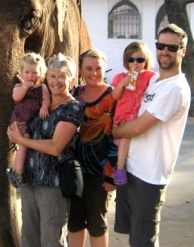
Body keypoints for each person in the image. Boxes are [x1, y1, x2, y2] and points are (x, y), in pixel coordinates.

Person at [113, 23, 191, 247]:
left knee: (144, 241)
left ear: (182, 51)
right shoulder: (155, 80)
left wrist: (114, 130)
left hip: (150, 176)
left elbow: (138, 127)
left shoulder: (175, 89)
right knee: (134, 237)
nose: (165, 51)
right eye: (161, 45)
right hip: (132, 168)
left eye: (172, 48)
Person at [7, 53, 83, 247]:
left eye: (61, 76)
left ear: (72, 79)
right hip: (30, 181)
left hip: (53, 184)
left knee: (51, 240)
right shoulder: (39, 103)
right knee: (29, 239)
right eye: (52, 76)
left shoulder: (71, 108)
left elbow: (55, 147)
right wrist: (16, 134)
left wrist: (20, 139)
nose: (56, 81)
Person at [67, 49, 118, 247]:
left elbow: (118, 136)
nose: (94, 73)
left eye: (98, 68)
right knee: (75, 219)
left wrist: (111, 172)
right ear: (80, 70)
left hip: (101, 169)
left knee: (97, 221)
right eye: (89, 68)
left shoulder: (113, 95)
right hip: (75, 168)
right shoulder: (74, 93)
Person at [111, 41, 156, 185]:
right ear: (126, 61)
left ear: (146, 61)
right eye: (132, 60)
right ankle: (120, 167)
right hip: (124, 114)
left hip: (140, 115)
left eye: (140, 60)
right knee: (125, 136)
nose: (135, 63)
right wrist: (123, 83)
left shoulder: (150, 76)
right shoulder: (120, 77)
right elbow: (115, 97)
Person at [6, 53, 51, 188]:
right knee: (24, 141)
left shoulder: (42, 87)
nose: (31, 76)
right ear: (21, 73)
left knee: (26, 141)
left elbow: (47, 99)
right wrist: (25, 86)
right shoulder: (19, 87)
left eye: (34, 72)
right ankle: (17, 171)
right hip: (19, 121)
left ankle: (15, 170)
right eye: (27, 72)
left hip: (32, 122)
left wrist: (44, 107)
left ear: (41, 73)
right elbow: (16, 98)